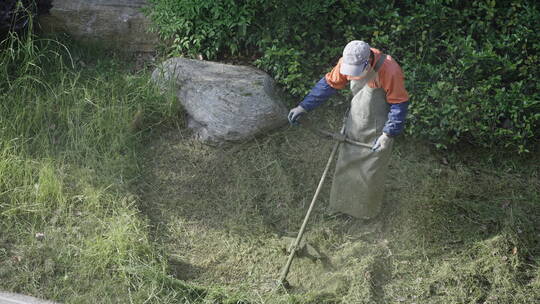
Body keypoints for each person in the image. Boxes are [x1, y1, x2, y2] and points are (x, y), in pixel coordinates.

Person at [287, 40, 409, 220]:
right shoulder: (348, 60)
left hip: (378, 132)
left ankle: (365, 215)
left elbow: (399, 103)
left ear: (368, 62)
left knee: (369, 173)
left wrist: (388, 134)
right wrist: (303, 107)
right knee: (346, 166)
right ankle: (341, 208)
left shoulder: (390, 70)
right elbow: (329, 84)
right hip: (355, 122)